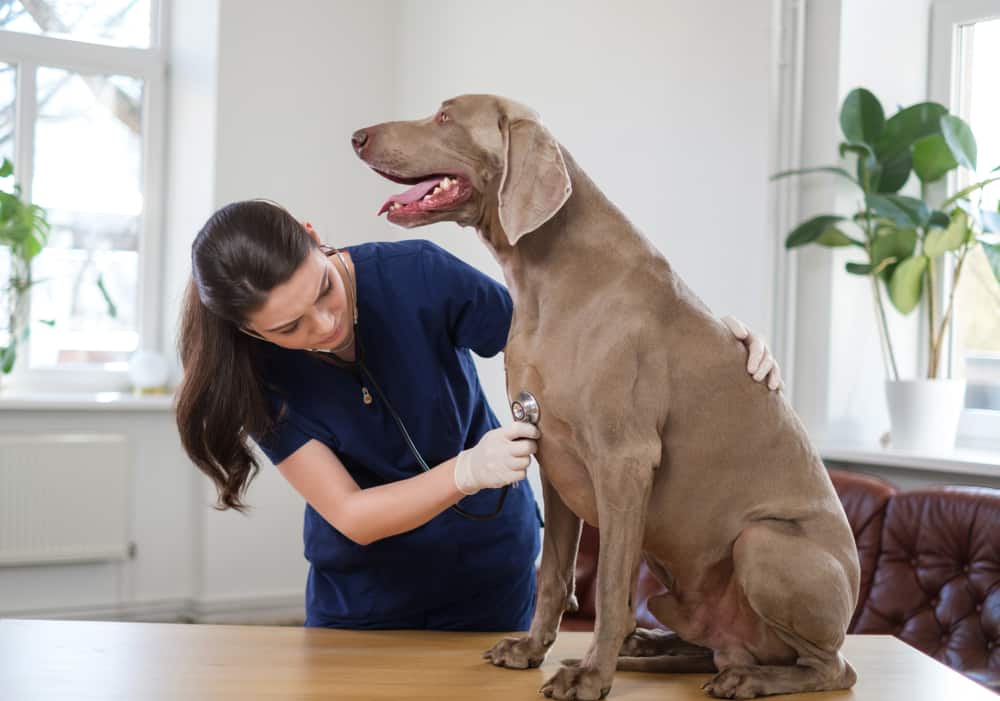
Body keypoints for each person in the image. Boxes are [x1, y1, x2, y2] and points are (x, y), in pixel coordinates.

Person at [174, 199, 783, 631]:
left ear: (313, 234)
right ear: (245, 329)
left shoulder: (417, 275)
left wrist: (708, 347)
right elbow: (353, 516)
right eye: (289, 327)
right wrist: (467, 470)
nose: (325, 326)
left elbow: (568, 336)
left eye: (324, 291)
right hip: (364, 603)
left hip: (492, 576)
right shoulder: (255, 377)